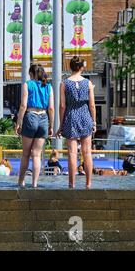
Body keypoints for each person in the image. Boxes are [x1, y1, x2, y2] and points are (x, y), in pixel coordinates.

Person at [57, 56, 96, 189]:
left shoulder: (64, 83)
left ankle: (71, 183)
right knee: (87, 152)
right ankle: (88, 183)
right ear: (82, 67)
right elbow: (92, 105)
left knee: (72, 152)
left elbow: (62, 106)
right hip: (85, 116)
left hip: (71, 117)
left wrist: (60, 125)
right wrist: (94, 122)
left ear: (70, 67)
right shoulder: (88, 83)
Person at [15, 64, 54, 188]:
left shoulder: (28, 84)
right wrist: (51, 125)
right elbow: (51, 108)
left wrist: (18, 122)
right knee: (36, 155)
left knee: (26, 154)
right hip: (43, 118)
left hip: (30, 116)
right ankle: (35, 183)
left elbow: (23, 106)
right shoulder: (48, 86)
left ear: (31, 74)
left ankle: (21, 181)